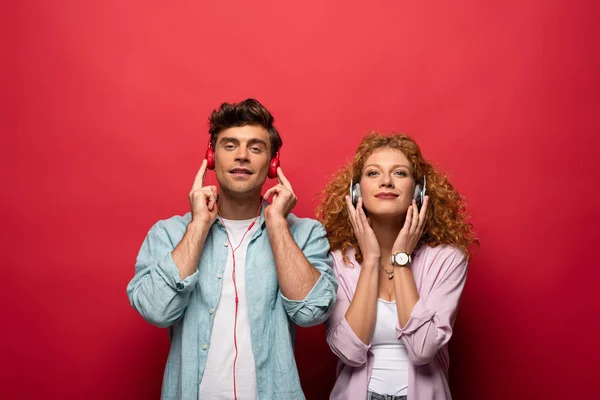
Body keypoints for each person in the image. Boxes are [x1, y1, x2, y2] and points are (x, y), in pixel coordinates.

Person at [127, 98, 337, 400]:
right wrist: (199, 225)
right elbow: (156, 311)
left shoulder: (305, 234)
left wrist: (277, 223)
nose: (242, 156)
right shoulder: (169, 233)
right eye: (229, 146)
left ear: (273, 163)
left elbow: (311, 313)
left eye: (255, 147)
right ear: (211, 158)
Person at [317, 132, 477, 400]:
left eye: (400, 173)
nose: (386, 182)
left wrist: (401, 258)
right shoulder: (337, 260)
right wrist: (370, 261)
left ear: (419, 190)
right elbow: (349, 351)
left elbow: (422, 348)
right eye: (373, 173)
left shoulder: (448, 259)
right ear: (356, 191)